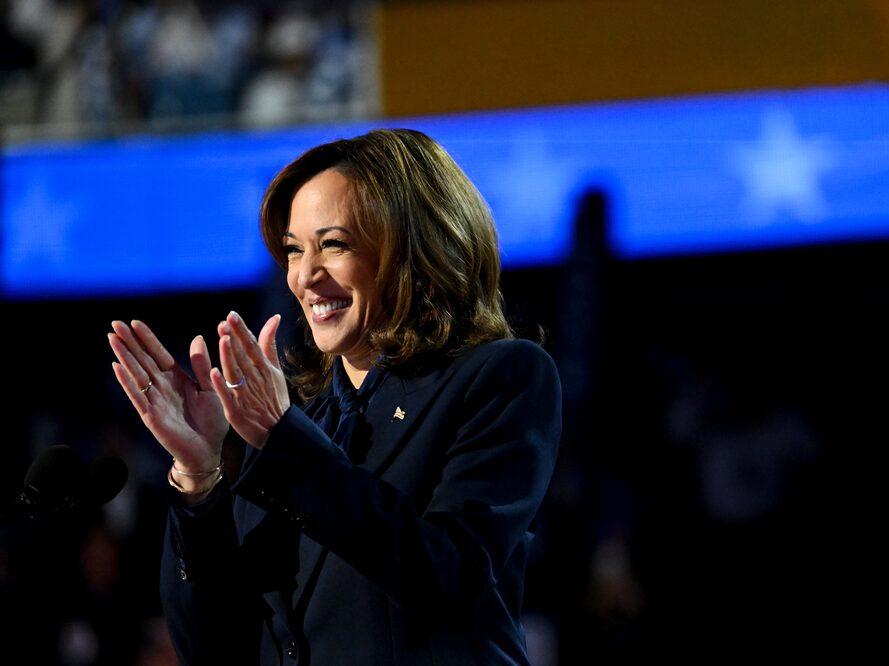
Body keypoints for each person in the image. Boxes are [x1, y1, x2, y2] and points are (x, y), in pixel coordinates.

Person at [107, 128, 561, 665]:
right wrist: (199, 475)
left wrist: (286, 443)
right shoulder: (297, 423)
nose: (305, 275)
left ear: (413, 249)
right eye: (295, 250)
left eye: (334, 244)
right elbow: (217, 649)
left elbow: (448, 577)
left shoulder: (500, 376)